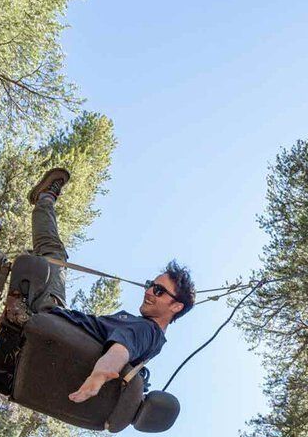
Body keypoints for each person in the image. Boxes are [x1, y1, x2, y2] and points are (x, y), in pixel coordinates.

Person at [28, 168, 195, 403]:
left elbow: (121, 350)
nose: (148, 291)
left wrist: (100, 374)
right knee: (37, 260)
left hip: (49, 314)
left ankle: (45, 198)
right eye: (150, 285)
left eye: (158, 290)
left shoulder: (147, 331)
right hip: (60, 317)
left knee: (53, 253)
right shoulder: (148, 337)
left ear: (176, 306)